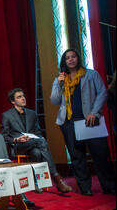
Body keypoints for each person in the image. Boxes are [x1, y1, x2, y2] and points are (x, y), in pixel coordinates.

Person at [50, 48, 116, 196]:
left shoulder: (91, 74)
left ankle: (110, 186)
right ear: (64, 61)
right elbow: (54, 100)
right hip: (69, 123)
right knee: (77, 157)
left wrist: (94, 112)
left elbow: (102, 92)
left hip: (89, 121)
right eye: (67, 58)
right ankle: (85, 187)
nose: (71, 59)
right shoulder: (60, 79)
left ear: (78, 58)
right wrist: (59, 84)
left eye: (73, 56)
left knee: (100, 154)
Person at [1, 88, 72, 193]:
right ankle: (57, 178)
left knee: (37, 152)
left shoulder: (32, 113)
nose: (23, 98)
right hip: (18, 146)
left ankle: (34, 182)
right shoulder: (6, 115)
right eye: (19, 97)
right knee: (40, 143)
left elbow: (37, 131)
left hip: (33, 144)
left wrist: (39, 136)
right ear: (13, 101)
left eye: (23, 96)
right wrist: (16, 139)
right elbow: (4, 136)